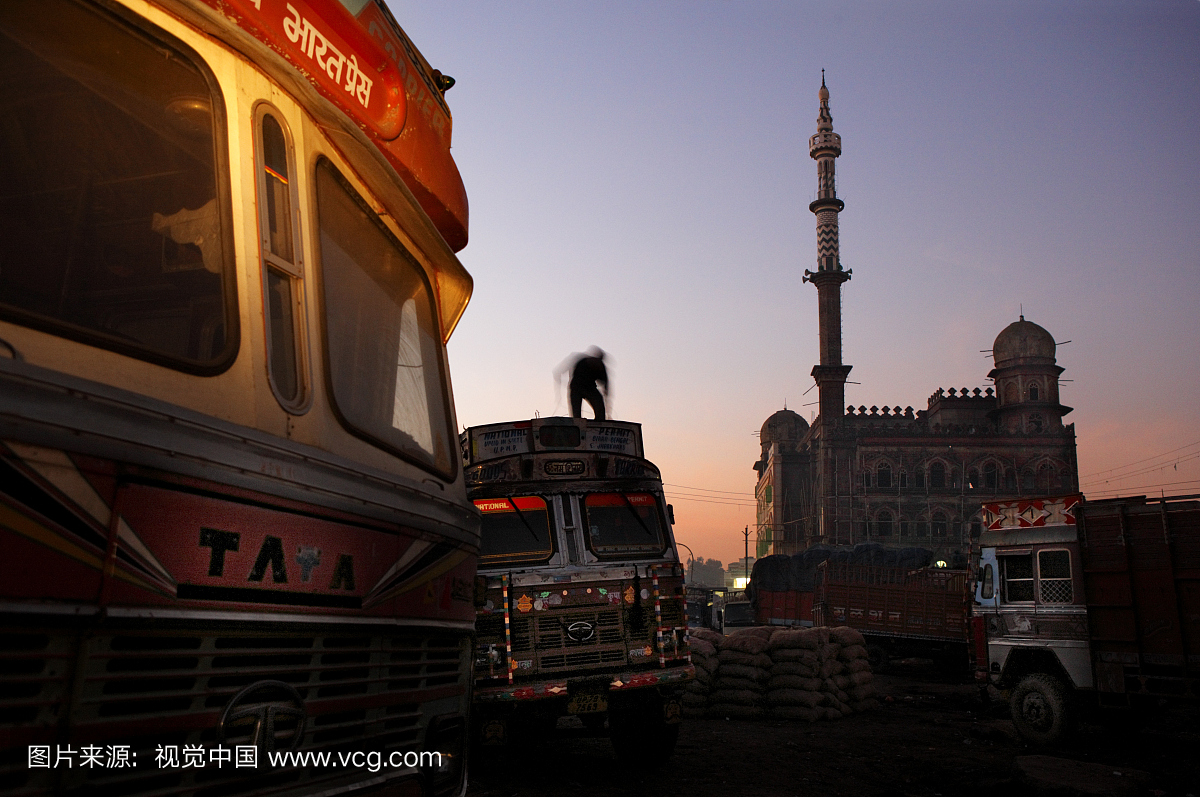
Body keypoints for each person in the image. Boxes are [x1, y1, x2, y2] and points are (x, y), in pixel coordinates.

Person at [554, 347, 609, 420]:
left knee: (600, 408)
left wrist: (608, 410)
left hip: (588, 388)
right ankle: (578, 424)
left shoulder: (601, 367)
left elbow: (606, 387)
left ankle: (599, 423)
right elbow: (559, 371)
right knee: (576, 415)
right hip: (576, 387)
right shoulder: (582, 361)